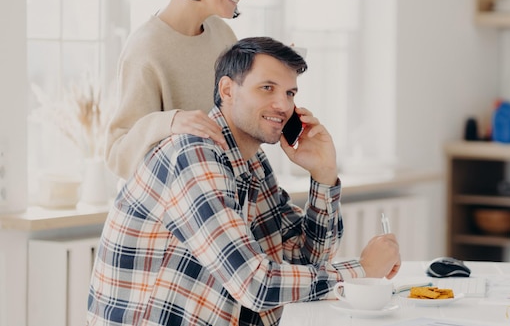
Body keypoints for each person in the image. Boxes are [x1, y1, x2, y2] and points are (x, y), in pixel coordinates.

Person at [87, 37, 401, 326]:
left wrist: (323, 175)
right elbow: (255, 284)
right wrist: (362, 272)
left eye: (289, 93)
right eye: (267, 88)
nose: (283, 105)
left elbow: (306, 259)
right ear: (227, 90)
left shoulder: (252, 163)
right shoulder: (194, 155)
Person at [105, 0, 258, 180]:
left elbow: (233, 124)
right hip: (169, 214)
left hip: (219, 196)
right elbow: (118, 156)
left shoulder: (222, 35)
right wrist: (171, 122)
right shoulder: (146, 49)